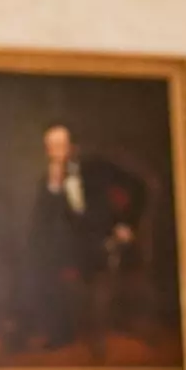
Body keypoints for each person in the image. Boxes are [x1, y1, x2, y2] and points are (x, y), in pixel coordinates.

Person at [16, 123, 146, 357]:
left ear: (73, 147)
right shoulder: (47, 180)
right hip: (72, 245)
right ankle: (58, 332)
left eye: (61, 146)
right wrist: (54, 186)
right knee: (37, 262)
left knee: (69, 263)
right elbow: (42, 220)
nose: (56, 152)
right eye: (51, 147)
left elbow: (139, 186)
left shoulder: (99, 167)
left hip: (104, 239)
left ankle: (99, 334)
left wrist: (127, 224)